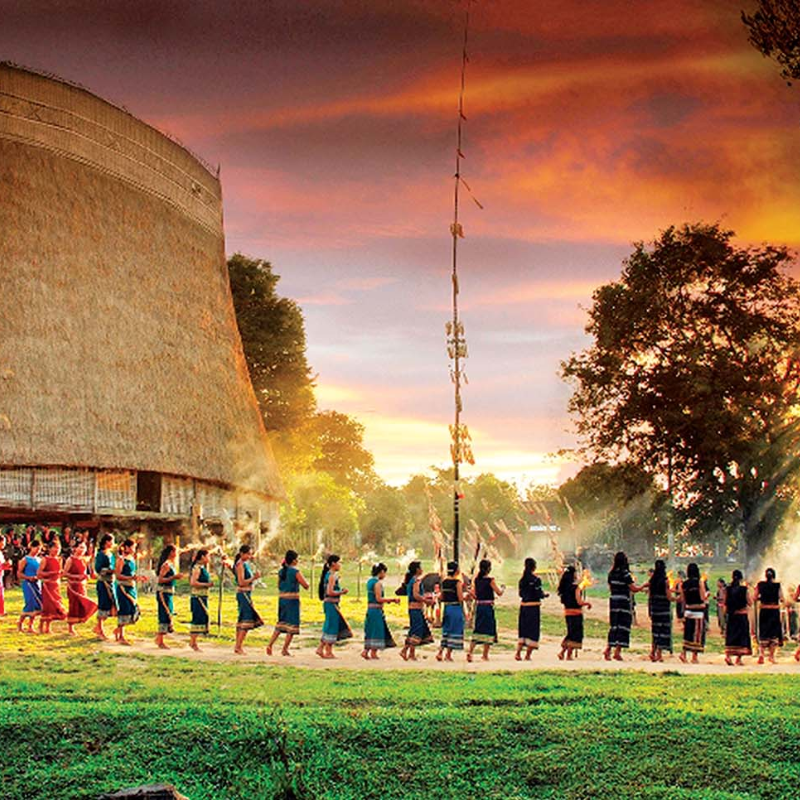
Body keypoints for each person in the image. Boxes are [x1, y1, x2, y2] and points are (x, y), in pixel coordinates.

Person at [266, 549, 310, 657]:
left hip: (282, 599)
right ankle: (285, 649)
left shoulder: (282, 572)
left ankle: (270, 644)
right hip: (292, 600)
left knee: (281, 623)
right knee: (292, 626)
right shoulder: (295, 572)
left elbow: (278, 585)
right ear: (294, 561)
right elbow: (306, 585)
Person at [603, 551, 644, 662]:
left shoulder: (611, 574)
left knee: (614, 625)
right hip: (623, 602)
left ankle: (608, 649)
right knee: (623, 626)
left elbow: (610, 588)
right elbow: (633, 589)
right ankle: (617, 652)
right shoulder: (625, 574)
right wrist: (643, 587)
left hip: (613, 601)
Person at [466, 559, 504, 663]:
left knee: (478, 628)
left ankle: (470, 652)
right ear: (488, 569)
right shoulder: (490, 580)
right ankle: (485, 655)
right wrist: (503, 588)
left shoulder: (477, 580)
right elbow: (499, 592)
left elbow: (474, 595)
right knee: (489, 629)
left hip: (479, 607)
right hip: (488, 607)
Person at [316, 554, 352, 658]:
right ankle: (328, 651)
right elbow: (330, 591)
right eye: (339, 562)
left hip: (331, 604)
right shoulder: (332, 576)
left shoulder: (329, 575)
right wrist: (341, 592)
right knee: (332, 627)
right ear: (333, 564)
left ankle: (320, 648)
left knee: (328, 626)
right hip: (331, 604)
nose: (340, 565)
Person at [362, 562, 399, 659]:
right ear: (381, 572)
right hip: (376, 610)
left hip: (370, 609)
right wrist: (392, 600)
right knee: (377, 630)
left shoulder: (370, 581)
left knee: (370, 630)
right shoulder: (377, 583)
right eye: (384, 573)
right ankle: (373, 652)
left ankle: (366, 651)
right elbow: (379, 598)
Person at [400, 560, 435, 661]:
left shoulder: (412, 580)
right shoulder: (416, 581)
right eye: (420, 567)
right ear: (417, 570)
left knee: (415, 631)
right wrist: (426, 601)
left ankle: (411, 653)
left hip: (414, 608)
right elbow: (415, 595)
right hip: (416, 609)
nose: (422, 569)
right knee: (416, 631)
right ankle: (404, 650)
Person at [233, 544, 263, 655]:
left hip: (247, 593)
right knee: (246, 620)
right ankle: (238, 646)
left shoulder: (245, 564)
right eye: (248, 554)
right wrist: (254, 578)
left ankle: (238, 645)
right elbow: (241, 582)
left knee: (243, 619)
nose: (250, 556)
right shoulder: (240, 565)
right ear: (242, 553)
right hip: (243, 593)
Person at [557, 565, 591, 660]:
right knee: (575, 634)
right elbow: (579, 601)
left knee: (570, 633)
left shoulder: (563, 588)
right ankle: (568, 654)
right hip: (576, 613)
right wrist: (587, 603)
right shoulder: (575, 588)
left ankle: (563, 652)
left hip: (567, 612)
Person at [113, 538, 144, 645]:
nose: (134, 549)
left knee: (132, 610)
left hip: (131, 587)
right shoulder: (121, 560)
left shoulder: (131, 559)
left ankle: (118, 630)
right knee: (124, 610)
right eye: (132, 547)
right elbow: (118, 575)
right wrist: (131, 577)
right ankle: (121, 635)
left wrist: (137, 578)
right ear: (126, 547)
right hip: (123, 588)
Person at [516, 558, 547, 661]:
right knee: (533, 630)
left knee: (523, 630)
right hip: (533, 607)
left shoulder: (522, 580)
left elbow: (520, 594)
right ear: (534, 567)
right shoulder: (536, 580)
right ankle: (528, 655)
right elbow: (539, 593)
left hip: (524, 606)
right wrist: (544, 595)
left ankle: (518, 653)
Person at [437, 561, 469, 662]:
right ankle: (448, 654)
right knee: (454, 630)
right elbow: (460, 598)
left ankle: (440, 652)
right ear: (457, 571)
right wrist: (466, 597)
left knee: (446, 630)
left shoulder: (444, 582)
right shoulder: (457, 583)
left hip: (447, 608)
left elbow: (441, 596)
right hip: (455, 608)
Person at [63, 541, 98, 635]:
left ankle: (80, 620)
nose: (83, 550)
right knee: (73, 606)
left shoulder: (84, 560)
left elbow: (86, 572)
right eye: (81, 547)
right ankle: (70, 627)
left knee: (84, 605)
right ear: (75, 548)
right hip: (73, 586)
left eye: (84, 548)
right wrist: (76, 577)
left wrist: (87, 576)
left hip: (81, 586)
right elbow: (65, 573)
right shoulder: (70, 559)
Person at [154, 544, 184, 650]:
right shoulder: (166, 565)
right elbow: (160, 580)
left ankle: (159, 638)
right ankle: (160, 640)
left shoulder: (171, 564)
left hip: (169, 592)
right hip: (163, 593)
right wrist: (174, 577)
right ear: (171, 552)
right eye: (175, 551)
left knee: (169, 613)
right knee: (164, 614)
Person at [678, 563, 709, 663]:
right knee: (697, 634)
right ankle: (694, 657)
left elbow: (682, 599)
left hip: (688, 611)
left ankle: (683, 654)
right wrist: (707, 594)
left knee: (688, 633)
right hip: (698, 611)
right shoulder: (699, 582)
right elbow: (702, 597)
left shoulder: (684, 584)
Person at [644, 559, 673, 662]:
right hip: (664, 608)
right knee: (663, 630)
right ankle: (659, 654)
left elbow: (650, 595)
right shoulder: (665, 580)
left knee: (655, 631)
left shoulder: (652, 581)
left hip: (655, 608)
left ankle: (652, 652)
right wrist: (677, 598)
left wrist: (650, 608)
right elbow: (669, 596)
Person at [754, 567, 784, 664]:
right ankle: (771, 657)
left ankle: (762, 655)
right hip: (774, 611)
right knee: (773, 634)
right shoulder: (777, 585)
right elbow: (782, 598)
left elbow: (754, 597)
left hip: (764, 611)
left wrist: (760, 598)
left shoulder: (760, 585)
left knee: (764, 633)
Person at [37, 539, 67, 633]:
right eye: (55, 548)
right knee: (48, 606)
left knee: (56, 606)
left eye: (58, 548)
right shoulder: (45, 559)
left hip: (56, 585)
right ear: (49, 549)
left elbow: (60, 573)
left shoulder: (59, 559)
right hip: (47, 585)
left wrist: (61, 574)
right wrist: (52, 573)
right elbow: (39, 574)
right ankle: (42, 625)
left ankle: (48, 626)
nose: (57, 550)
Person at [724, 570, 752, 665]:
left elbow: (725, 602)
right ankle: (738, 659)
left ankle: (728, 656)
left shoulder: (728, 589)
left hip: (732, 616)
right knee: (742, 637)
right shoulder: (744, 589)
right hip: (742, 615)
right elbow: (750, 602)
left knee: (731, 636)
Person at [188, 548, 214, 651]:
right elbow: (193, 582)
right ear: (202, 557)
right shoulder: (197, 568)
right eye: (208, 556)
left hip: (203, 596)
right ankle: (193, 642)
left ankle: (194, 641)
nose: (209, 559)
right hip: (197, 596)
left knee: (203, 617)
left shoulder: (203, 568)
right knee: (198, 618)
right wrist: (207, 584)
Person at [92, 533, 116, 639]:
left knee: (112, 604)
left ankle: (98, 627)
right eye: (111, 541)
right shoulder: (101, 554)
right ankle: (100, 629)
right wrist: (110, 570)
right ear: (106, 542)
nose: (113, 543)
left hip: (111, 582)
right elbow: (98, 569)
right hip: (103, 583)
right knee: (104, 604)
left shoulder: (111, 554)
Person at [17, 539, 42, 633]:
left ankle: (30, 625)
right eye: (36, 548)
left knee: (38, 605)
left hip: (37, 583)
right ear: (31, 547)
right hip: (28, 584)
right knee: (30, 603)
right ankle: (20, 623)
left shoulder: (39, 560)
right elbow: (19, 573)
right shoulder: (25, 559)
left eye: (39, 549)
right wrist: (28, 577)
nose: (37, 550)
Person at [0, 531, 11, 616]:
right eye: (3, 542)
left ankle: (1, 610)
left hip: (0, 575)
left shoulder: (1, 553)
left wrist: (7, 565)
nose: (4, 544)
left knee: (1, 593)